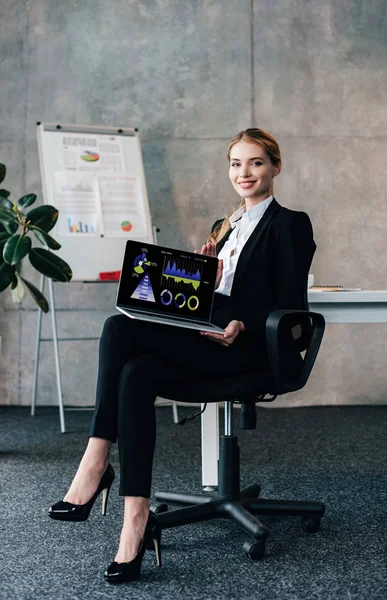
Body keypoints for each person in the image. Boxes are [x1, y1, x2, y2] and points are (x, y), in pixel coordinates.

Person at [48, 128, 316, 584]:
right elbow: (213, 299)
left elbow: (291, 304)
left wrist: (244, 324)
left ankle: (95, 465)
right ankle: (135, 521)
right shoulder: (223, 225)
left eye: (255, 162)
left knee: (117, 329)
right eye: (235, 163)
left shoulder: (290, 223)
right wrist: (198, 281)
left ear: (275, 166)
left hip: (247, 350)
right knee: (135, 372)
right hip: (205, 337)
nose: (244, 172)